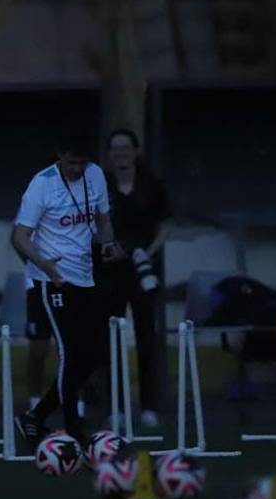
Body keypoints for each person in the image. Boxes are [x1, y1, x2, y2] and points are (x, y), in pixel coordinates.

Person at [10, 132, 124, 444]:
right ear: (60, 155)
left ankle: (35, 417)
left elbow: (102, 221)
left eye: (82, 163)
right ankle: (74, 429)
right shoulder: (41, 184)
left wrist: (109, 243)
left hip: (86, 277)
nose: (77, 169)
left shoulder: (96, 175)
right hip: (53, 280)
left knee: (93, 355)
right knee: (70, 354)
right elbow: (19, 236)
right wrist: (43, 263)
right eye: (72, 162)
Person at [97, 128, 171, 428]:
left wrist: (148, 253)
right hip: (110, 270)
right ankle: (116, 407)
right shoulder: (99, 185)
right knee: (111, 338)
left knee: (146, 337)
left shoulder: (152, 185)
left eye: (125, 148)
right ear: (109, 154)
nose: (120, 154)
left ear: (136, 150)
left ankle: (149, 407)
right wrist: (108, 248)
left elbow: (164, 225)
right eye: (115, 149)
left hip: (144, 269)